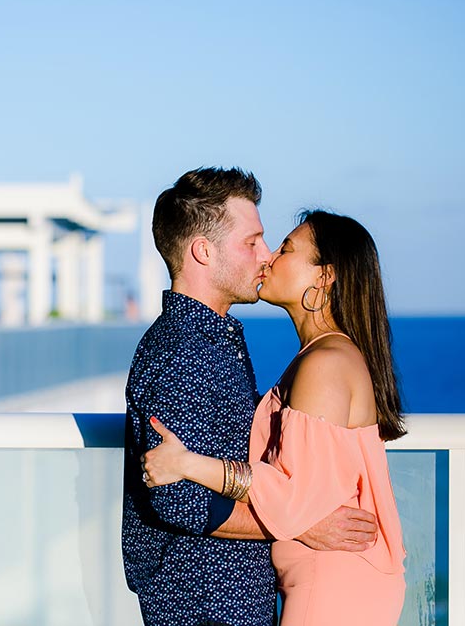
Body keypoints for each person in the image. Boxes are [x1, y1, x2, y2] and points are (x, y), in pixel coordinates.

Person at [122, 168, 380, 626]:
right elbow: (179, 499)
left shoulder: (216, 341)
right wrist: (303, 522)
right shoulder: (182, 349)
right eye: (252, 242)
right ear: (203, 251)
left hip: (232, 600)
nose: (265, 255)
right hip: (203, 603)